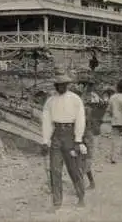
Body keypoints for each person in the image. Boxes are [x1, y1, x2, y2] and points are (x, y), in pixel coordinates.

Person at [41, 72, 87, 210]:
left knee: (74, 169)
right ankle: (57, 202)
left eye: (63, 84)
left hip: (70, 135)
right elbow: (46, 122)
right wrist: (45, 141)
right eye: (58, 85)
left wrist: (78, 140)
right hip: (56, 136)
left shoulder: (75, 99)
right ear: (55, 86)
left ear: (67, 85)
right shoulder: (50, 101)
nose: (61, 87)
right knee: (55, 170)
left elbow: (80, 119)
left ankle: (80, 197)